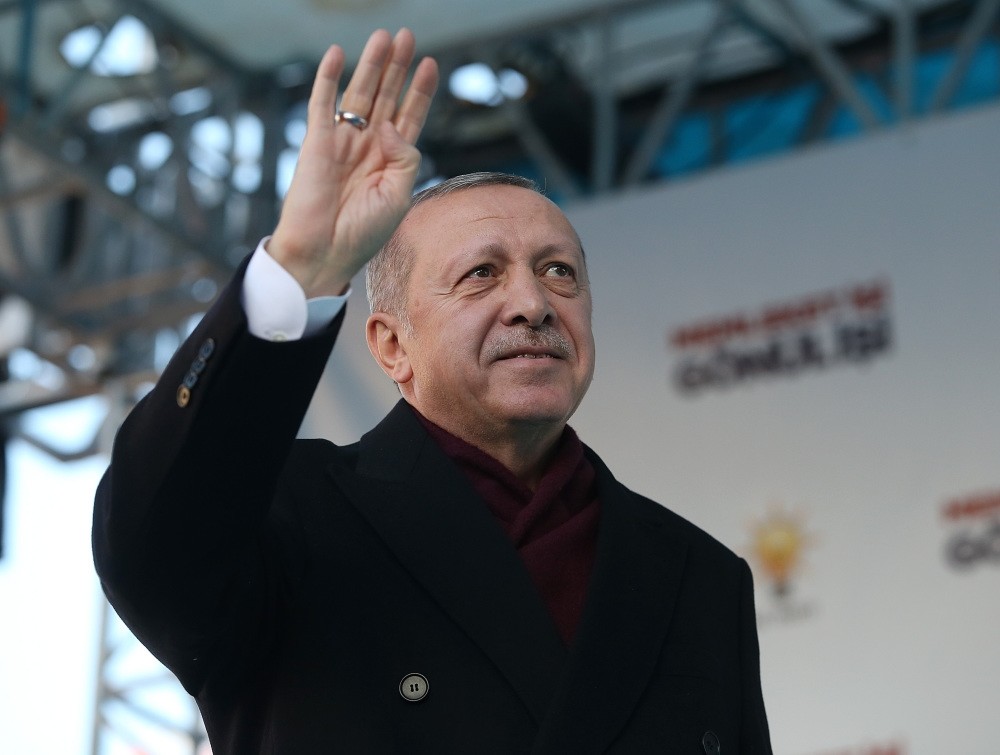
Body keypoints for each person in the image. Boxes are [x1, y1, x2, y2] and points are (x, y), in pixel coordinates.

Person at [93, 28, 771, 754]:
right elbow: (151, 539)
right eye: (482, 273)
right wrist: (298, 267)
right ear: (392, 345)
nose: (533, 304)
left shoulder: (698, 577)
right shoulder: (290, 515)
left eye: (560, 272)